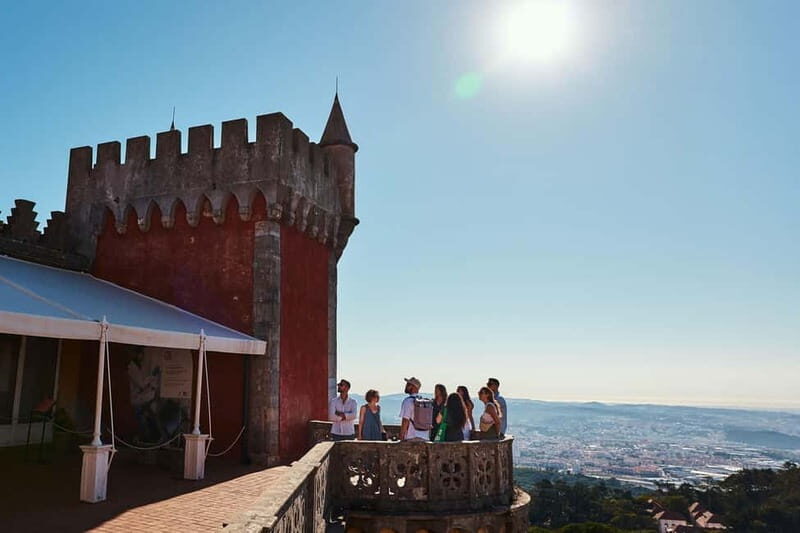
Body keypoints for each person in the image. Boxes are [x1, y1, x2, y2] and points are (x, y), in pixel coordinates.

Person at [399, 377, 430, 441]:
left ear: (414, 387)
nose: (406, 386)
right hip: (425, 437)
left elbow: (405, 420)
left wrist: (401, 437)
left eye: (408, 384)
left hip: (412, 436)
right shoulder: (424, 402)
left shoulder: (408, 401)